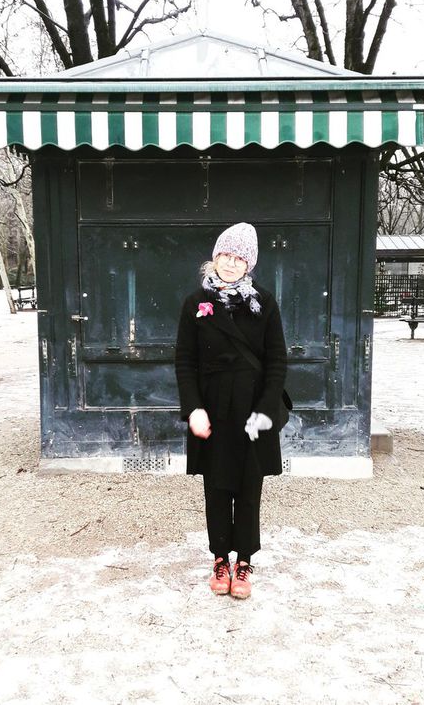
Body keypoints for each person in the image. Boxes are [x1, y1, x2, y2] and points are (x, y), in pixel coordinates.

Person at [174, 222, 288, 599]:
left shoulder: (264, 303)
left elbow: (277, 362)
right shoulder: (195, 303)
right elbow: (184, 362)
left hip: (253, 409)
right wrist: (193, 409)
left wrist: (267, 410)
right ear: (215, 256)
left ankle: (244, 562)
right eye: (226, 255)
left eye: (240, 258)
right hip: (214, 409)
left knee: (249, 487)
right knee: (217, 487)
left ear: (249, 264)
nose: (231, 263)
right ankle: (220, 558)